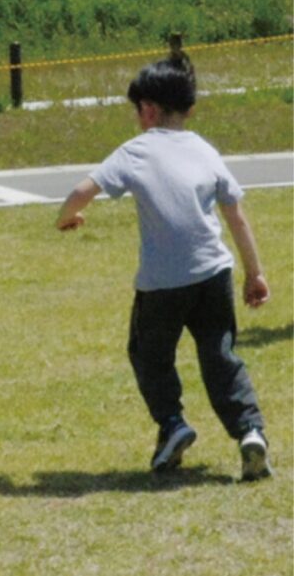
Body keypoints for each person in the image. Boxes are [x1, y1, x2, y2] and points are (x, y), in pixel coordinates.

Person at [55, 51, 273, 481]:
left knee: (148, 354)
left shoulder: (136, 150)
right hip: (214, 274)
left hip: (162, 284)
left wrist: (66, 217)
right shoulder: (205, 149)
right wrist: (255, 273)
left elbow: (82, 191)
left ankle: (172, 425)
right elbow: (236, 215)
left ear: (148, 110)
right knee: (220, 356)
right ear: (188, 108)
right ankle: (250, 432)